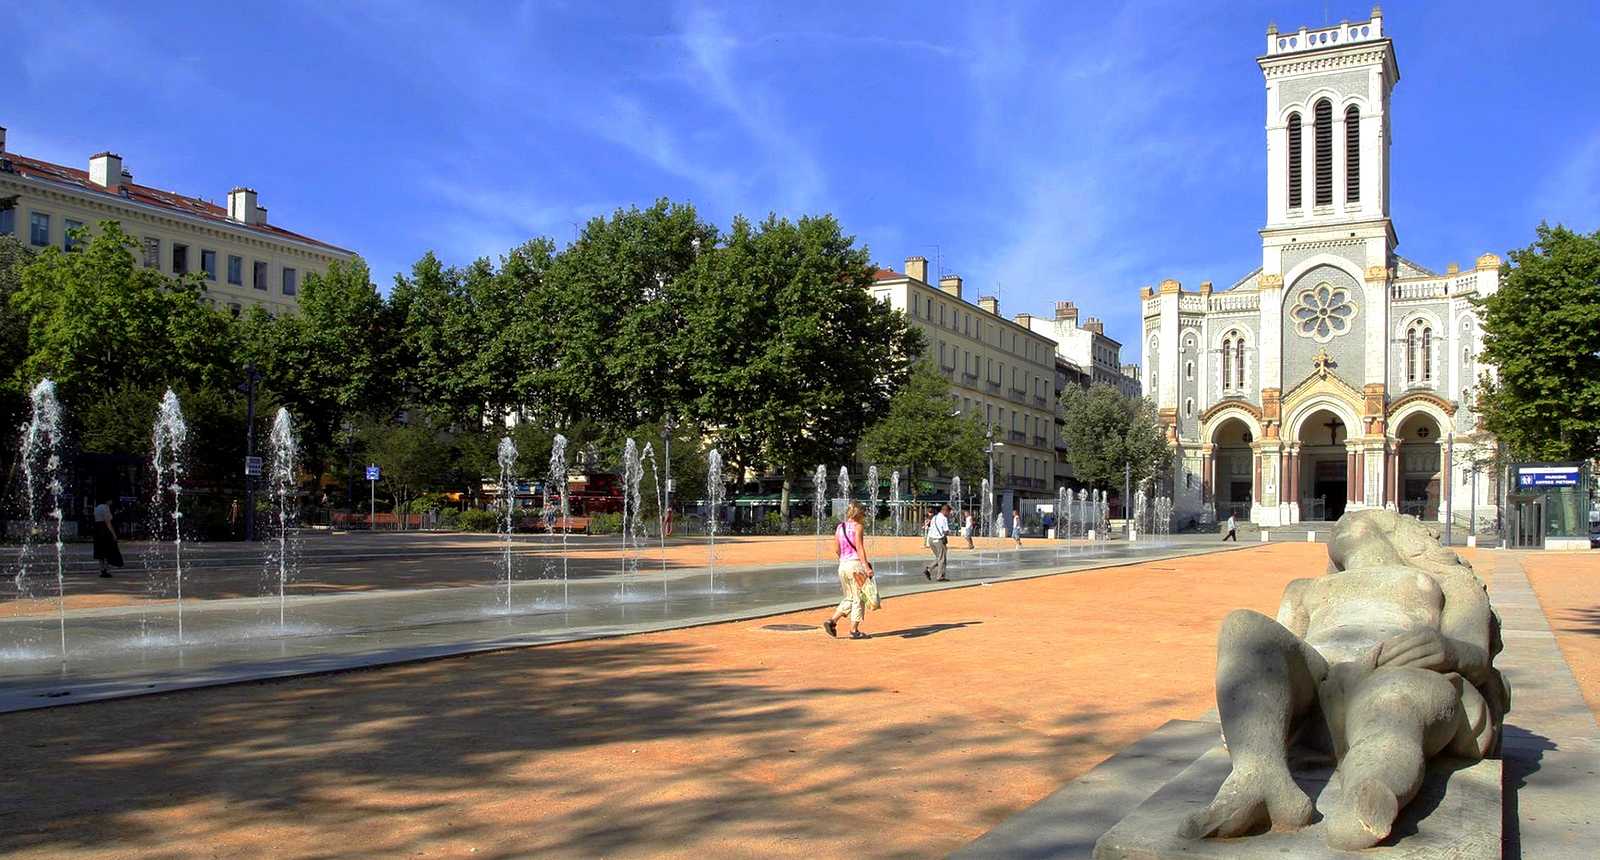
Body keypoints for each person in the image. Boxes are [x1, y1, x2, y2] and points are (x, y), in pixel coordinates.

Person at [1181, 510, 1507, 851]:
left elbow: (1478, 656)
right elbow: (1278, 653)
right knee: (1242, 627)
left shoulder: (1447, 582)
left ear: (1400, 531)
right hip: (1320, 684)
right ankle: (1258, 778)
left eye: (1360, 519)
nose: (1347, 524)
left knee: (1393, 701)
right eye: (1340, 525)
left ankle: (1371, 792)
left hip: (1401, 673)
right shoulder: (1304, 589)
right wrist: (1252, 708)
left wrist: (1449, 650)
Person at [822, 501, 874, 640]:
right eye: (863, 513)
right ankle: (854, 630)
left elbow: (837, 549)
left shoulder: (840, 527)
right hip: (855, 565)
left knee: (849, 597)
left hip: (843, 565)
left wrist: (844, 559)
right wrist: (866, 567)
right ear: (859, 513)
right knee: (859, 598)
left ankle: (832, 621)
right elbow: (860, 548)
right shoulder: (858, 527)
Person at [92, 497, 123, 578]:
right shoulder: (105, 508)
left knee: (100, 551)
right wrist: (113, 534)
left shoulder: (97, 508)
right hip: (104, 530)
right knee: (107, 550)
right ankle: (106, 569)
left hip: (97, 530)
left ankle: (102, 569)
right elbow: (108, 522)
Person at [923, 503, 952, 582]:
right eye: (949, 512)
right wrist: (946, 536)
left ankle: (929, 569)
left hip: (931, 540)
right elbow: (946, 531)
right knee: (942, 559)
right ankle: (940, 576)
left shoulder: (934, 517)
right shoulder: (943, 518)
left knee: (940, 557)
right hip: (938, 540)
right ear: (945, 511)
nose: (949, 514)